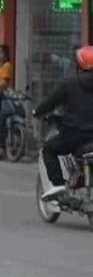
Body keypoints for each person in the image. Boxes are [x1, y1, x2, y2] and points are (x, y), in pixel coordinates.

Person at [35, 45, 93, 199]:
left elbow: (49, 102)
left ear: (79, 65)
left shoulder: (69, 83)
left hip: (73, 135)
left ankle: (58, 184)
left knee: (48, 149)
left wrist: (37, 112)